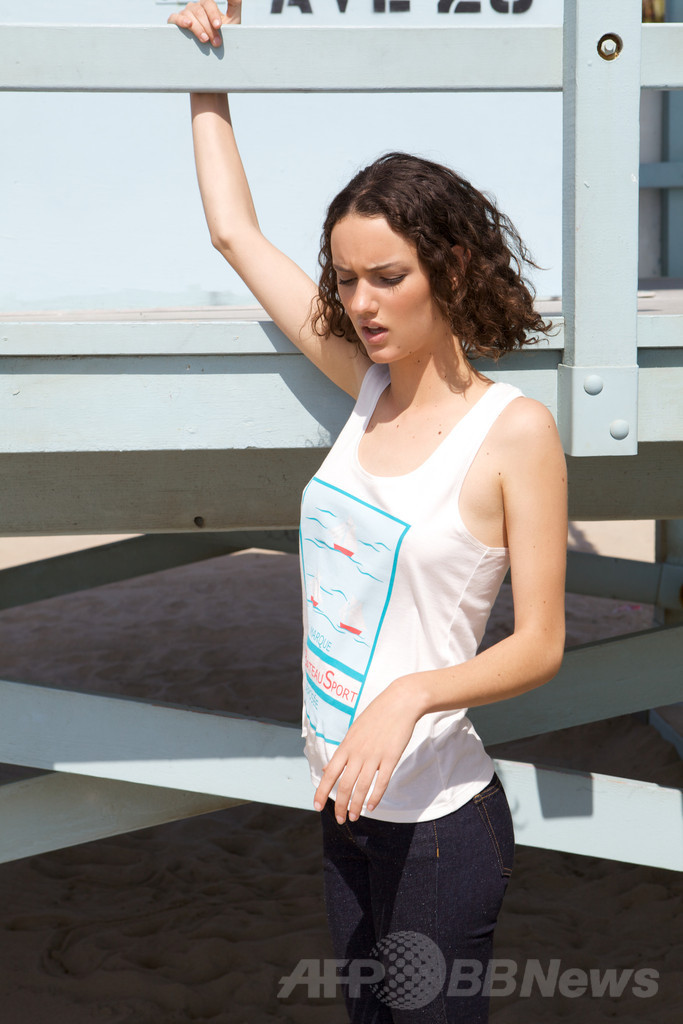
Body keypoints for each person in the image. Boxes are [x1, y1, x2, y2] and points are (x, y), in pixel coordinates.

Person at [169, 4, 567, 1021]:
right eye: (346, 281)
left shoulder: (513, 431)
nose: (361, 304)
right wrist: (204, 60)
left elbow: (539, 645)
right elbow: (233, 232)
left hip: (437, 826)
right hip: (344, 808)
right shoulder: (364, 387)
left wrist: (409, 697)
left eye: (387, 278)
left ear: (451, 269)